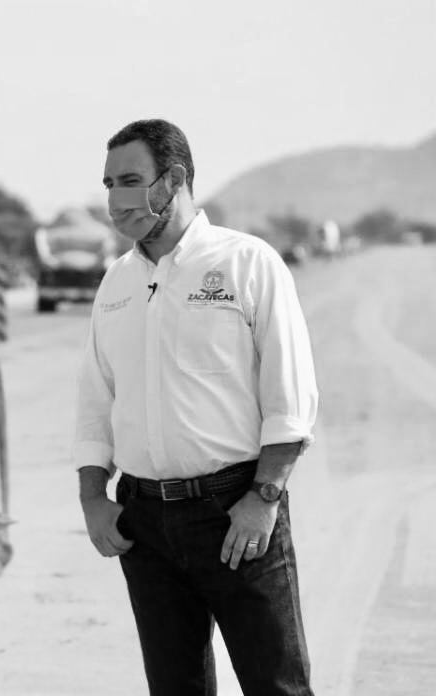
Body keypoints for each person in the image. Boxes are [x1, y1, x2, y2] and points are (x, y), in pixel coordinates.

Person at [74, 119, 318, 695]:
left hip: (235, 513)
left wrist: (263, 499)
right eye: (108, 184)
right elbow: (95, 400)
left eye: (130, 181)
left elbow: (290, 397)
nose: (115, 200)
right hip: (144, 525)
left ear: (175, 179)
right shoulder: (116, 283)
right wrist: (93, 498)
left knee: (276, 687)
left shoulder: (247, 263)